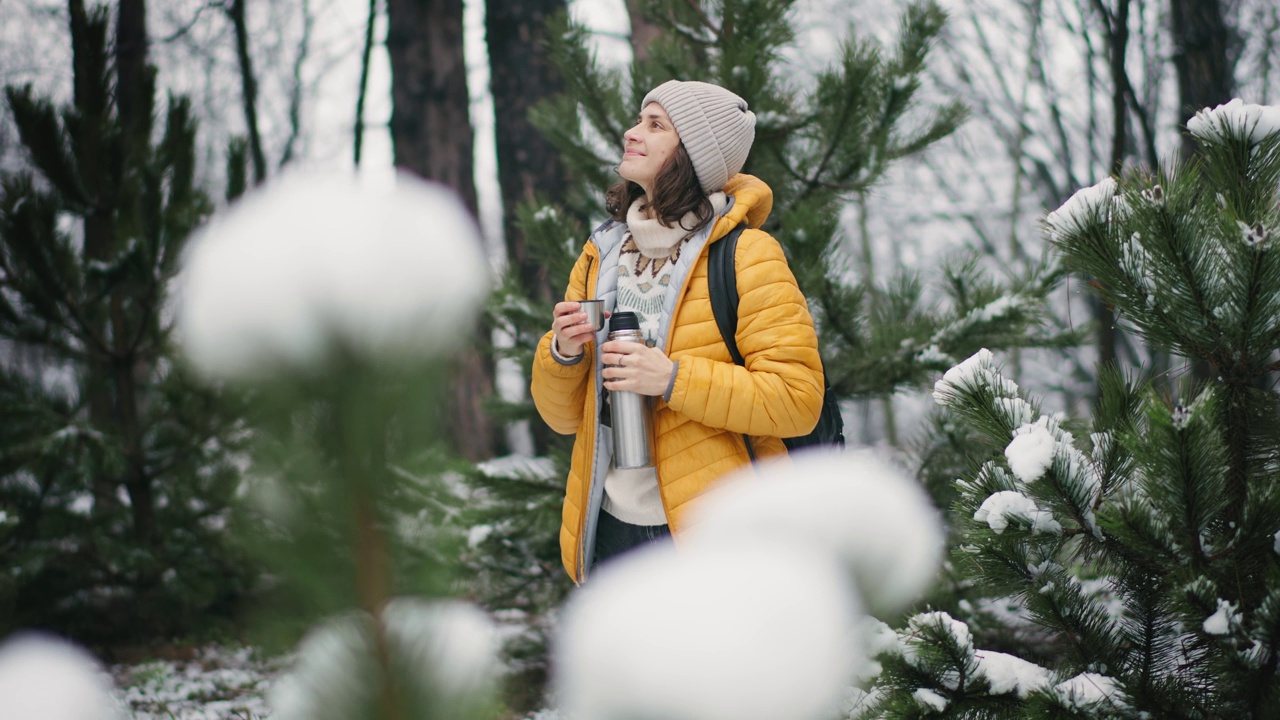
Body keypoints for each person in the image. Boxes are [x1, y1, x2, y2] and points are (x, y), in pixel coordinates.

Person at [530, 80, 824, 583]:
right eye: (639, 119)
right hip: (611, 529)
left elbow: (797, 401)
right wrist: (562, 351)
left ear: (692, 154)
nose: (631, 132)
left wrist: (670, 378)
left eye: (655, 124)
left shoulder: (747, 255)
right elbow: (561, 419)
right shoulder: (601, 254)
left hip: (714, 534)